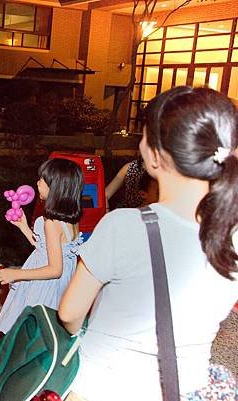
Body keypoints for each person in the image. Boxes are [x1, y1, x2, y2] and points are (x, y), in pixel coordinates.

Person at [59, 86, 238, 401]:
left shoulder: (122, 226)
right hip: (186, 388)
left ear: (155, 156)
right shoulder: (232, 237)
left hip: (103, 386)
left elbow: (70, 313)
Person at [0, 158, 84, 334]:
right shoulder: (69, 219)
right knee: (47, 328)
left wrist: (16, 274)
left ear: (54, 188)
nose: (37, 182)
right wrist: (25, 228)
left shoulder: (51, 222)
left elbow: (55, 269)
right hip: (59, 284)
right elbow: (48, 248)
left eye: (42, 179)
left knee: (30, 327)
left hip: (45, 282)